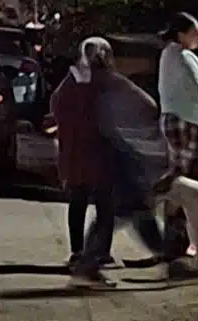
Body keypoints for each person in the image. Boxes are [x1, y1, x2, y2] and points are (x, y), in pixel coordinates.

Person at [70, 36, 169, 286]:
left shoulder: (91, 83)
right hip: (121, 155)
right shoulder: (110, 84)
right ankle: (89, 263)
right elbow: (143, 108)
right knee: (120, 210)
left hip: (116, 154)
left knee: (133, 209)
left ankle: (165, 253)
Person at [157, 11, 198, 269]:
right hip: (188, 122)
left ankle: (178, 240)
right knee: (186, 183)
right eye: (195, 32)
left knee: (181, 179)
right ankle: (179, 241)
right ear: (181, 34)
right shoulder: (184, 57)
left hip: (174, 119)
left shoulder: (168, 55)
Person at [49, 38, 113, 268]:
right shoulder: (75, 81)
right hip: (80, 149)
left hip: (99, 148)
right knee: (81, 199)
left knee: (103, 201)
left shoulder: (102, 80)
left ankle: (101, 250)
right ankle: (79, 250)